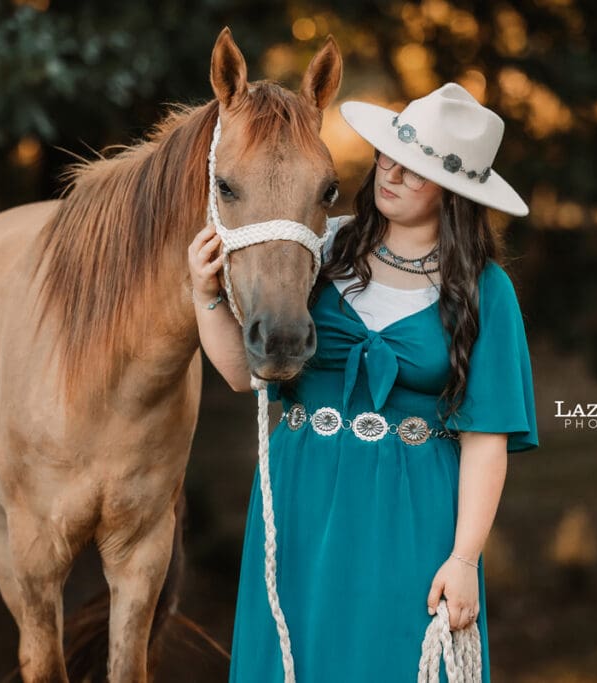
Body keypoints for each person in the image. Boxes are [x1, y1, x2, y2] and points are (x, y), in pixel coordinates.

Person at [188, 82, 539, 683]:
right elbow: (245, 379)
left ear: (453, 192)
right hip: (302, 495)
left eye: (416, 170)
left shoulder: (484, 292)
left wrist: (463, 558)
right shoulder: (323, 253)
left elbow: (487, 442)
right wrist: (204, 295)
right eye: (388, 155)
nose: (391, 174)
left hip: (413, 512)